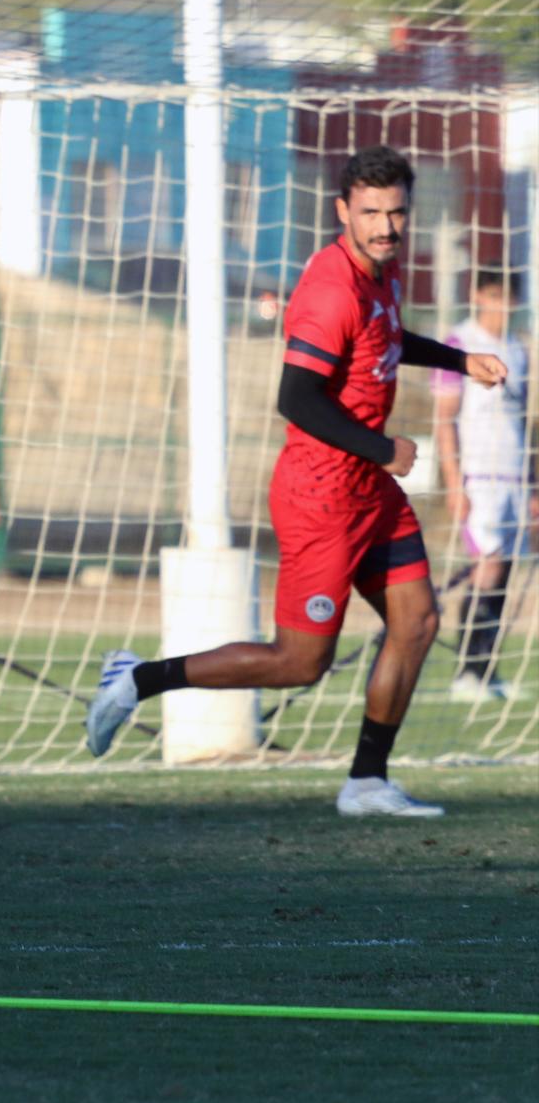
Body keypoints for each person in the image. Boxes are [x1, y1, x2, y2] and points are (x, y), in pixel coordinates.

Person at [87, 147, 509, 816]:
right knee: (299, 662)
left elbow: (390, 339)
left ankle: (367, 781)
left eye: (396, 212)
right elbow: (298, 397)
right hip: (323, 497)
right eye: (371, 213)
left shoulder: (383, 272)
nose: (386, 226)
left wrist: (461, 360)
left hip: (368, 489)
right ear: (343, 211)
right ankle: (137, 678)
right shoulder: (332, 289)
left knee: (418, 620)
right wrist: (385, 448)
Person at [434, 270, 534, 702]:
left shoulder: (518, 348)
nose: (500, 306)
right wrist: (455, 483)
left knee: (505, 568)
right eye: (492, 296)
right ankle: (467, 674)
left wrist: (532, 486)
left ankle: (488, 671)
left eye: (507, 298)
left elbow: (525, 424)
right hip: (478, 476)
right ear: (477, 296)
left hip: (513, 477)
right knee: (486, 567)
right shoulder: (459, 342)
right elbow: (444, 418)